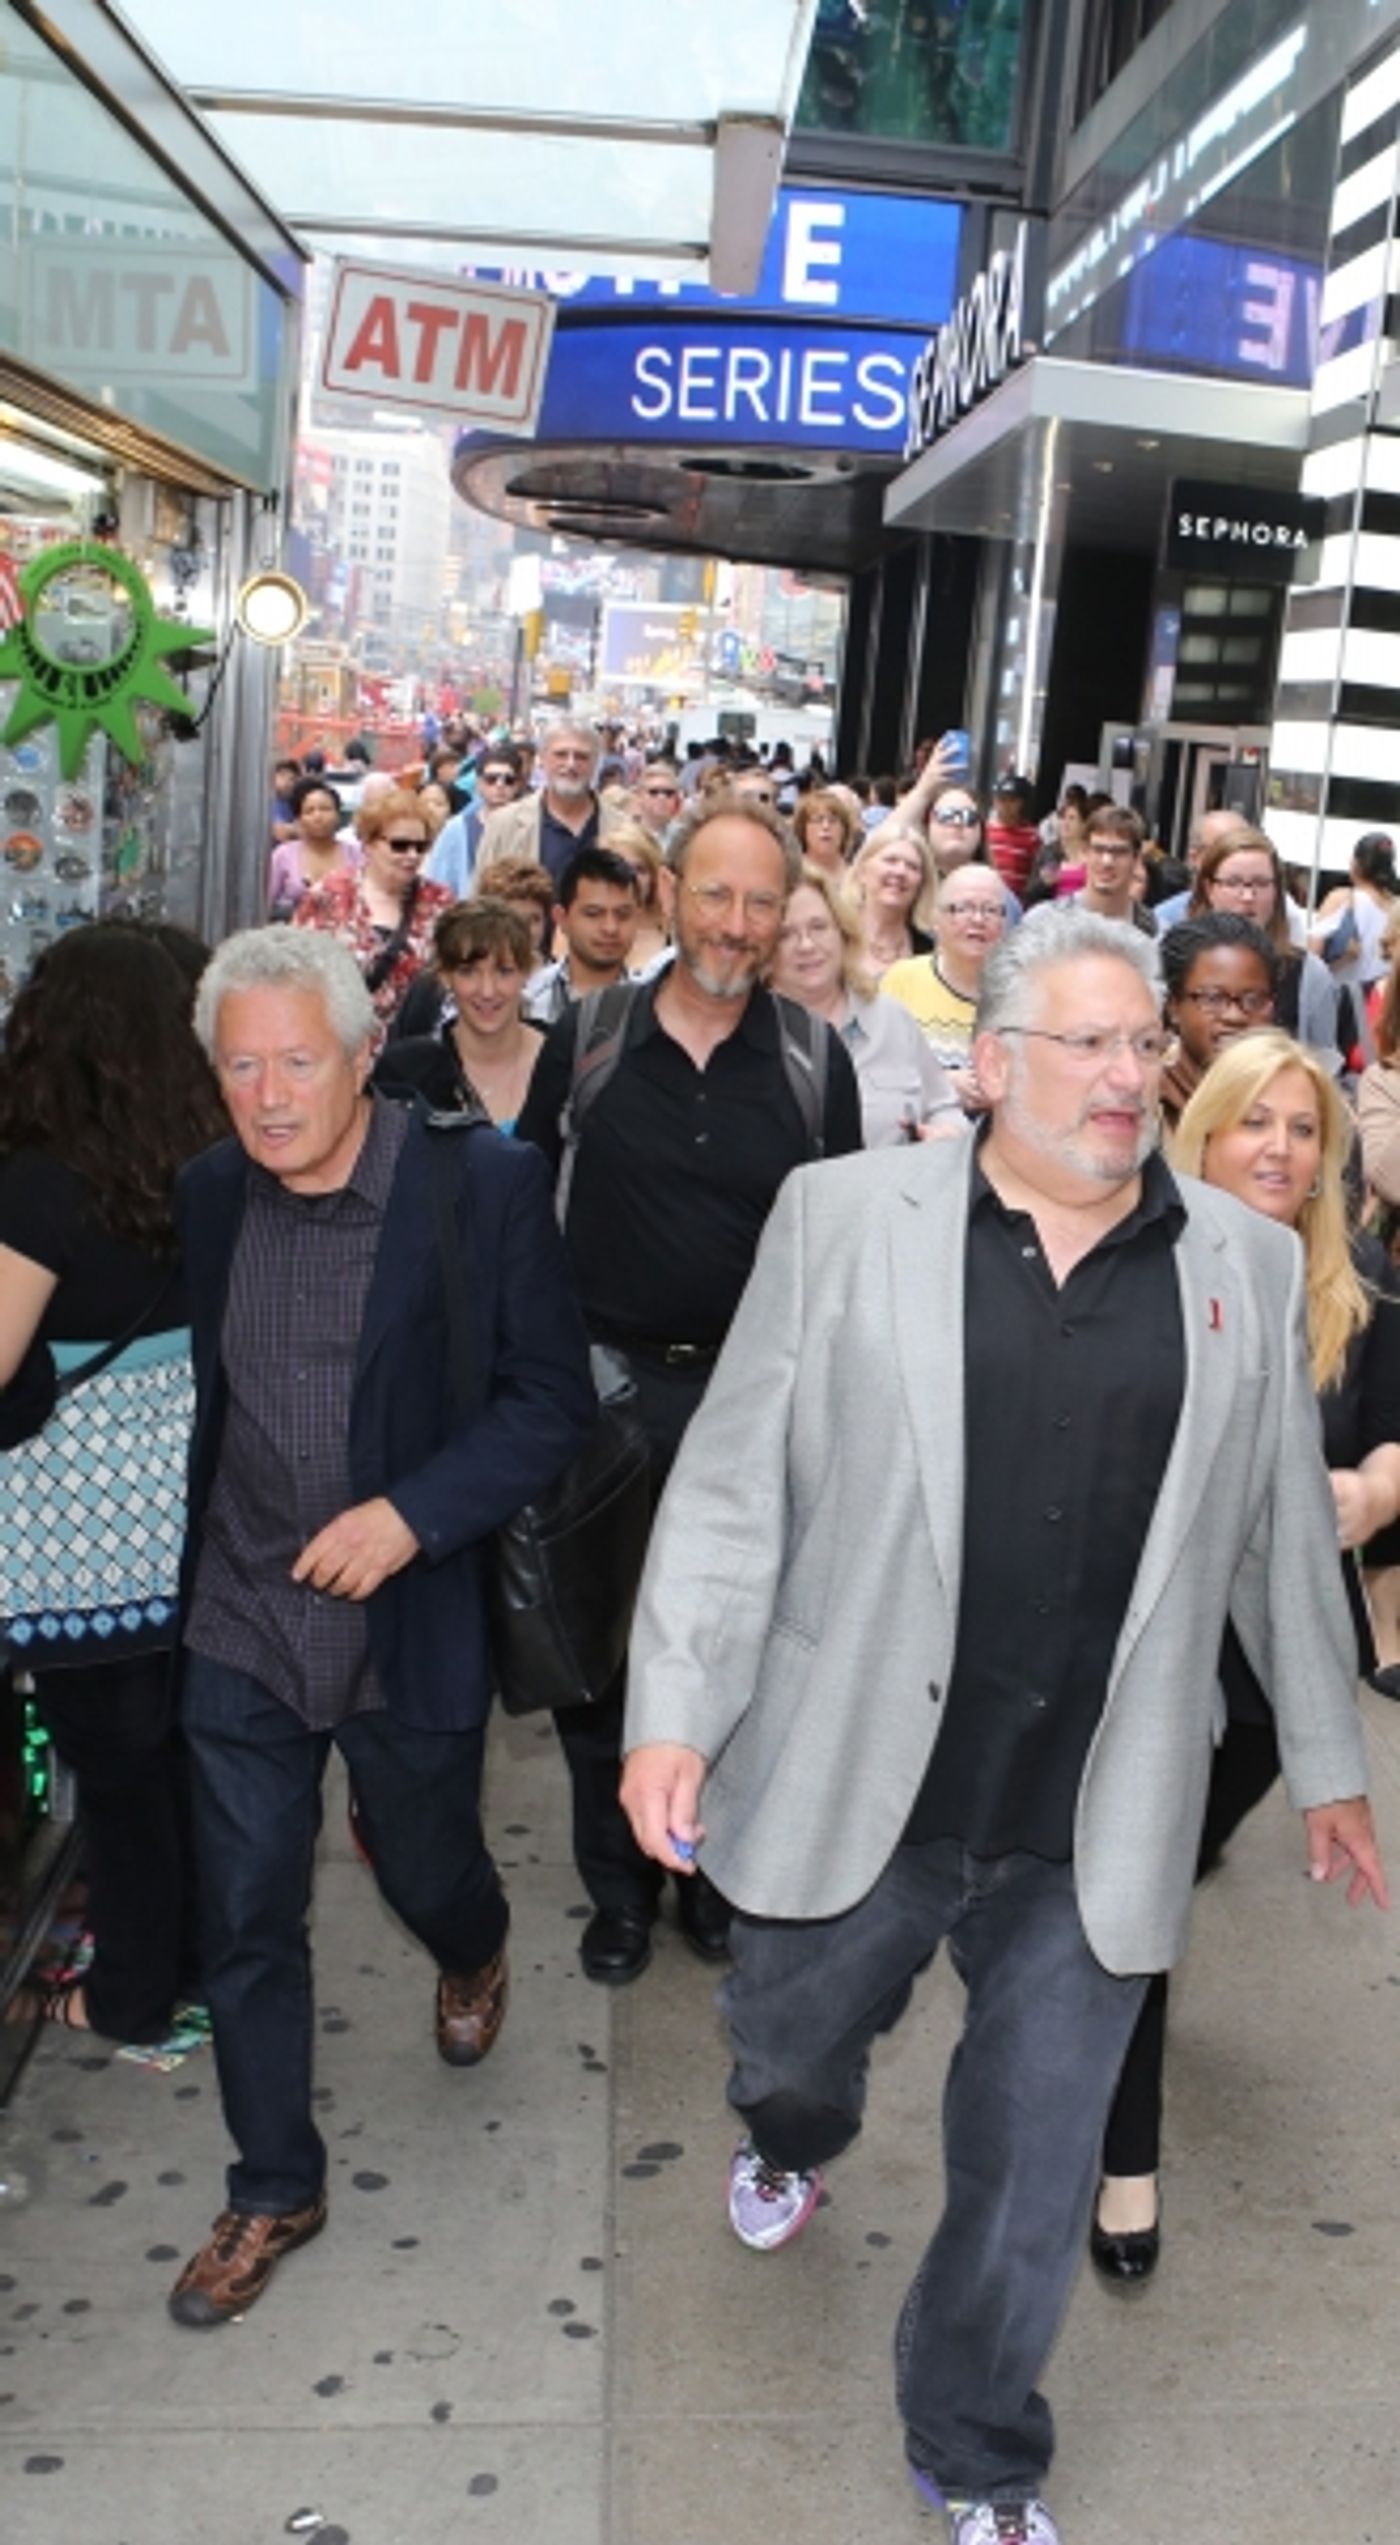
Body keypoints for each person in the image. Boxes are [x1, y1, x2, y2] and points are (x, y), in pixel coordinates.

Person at [619, 910, 1384, 2545]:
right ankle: (792, 2132)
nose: (1129, 1077)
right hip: (863, 1787)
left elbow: (1272, 1546)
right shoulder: (840, 1221)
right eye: (1088, 1045)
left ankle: (977, 2450)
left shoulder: (1236, 1265)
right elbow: (732, 1488)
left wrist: (1328, 1767)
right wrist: (675, 1712)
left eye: (1139, 1046)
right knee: (785, 2047)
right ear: (990, 1066)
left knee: (1036, 2175)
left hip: (1095, 1807)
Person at [167, 926, 594, 2330]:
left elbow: (548, 1404)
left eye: (298, 1060)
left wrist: (412, 1515)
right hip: (241, 1608)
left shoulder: (482, 1190)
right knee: (244, 1908)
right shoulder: (213, 1195)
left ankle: (473, 1947)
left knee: (427, 1867)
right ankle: (274, 2178)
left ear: (365, 1054)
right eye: (241, 1065)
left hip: (404, 1618)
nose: (270, 1094)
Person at [516, 795, 862, 1988]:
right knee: (600, 1662)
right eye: (714, 893)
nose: (736, 921)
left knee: (744, 1656)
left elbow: (847, 1255)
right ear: (669, 894)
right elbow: (521, 1207)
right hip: (604, 1402)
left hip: (754, 1412)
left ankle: (710, 1881)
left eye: (761, 900)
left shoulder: (817, 1065)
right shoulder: (594, 1036)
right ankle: (617, 1889)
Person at [1093, 1029, 1400, 2285]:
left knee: (1172, 1844)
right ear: (1200, 1131)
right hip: (1139, 1624)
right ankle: (1124, 2165)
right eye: (1250, 1121)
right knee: (1141, 1883)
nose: (1276, 1147)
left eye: (1300, 1127)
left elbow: (1392, 1442)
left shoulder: (1357, 1284)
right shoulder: (1126, 1254)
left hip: (1277, 1652)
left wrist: (1376, 1492)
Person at [0, 926, 228, 2040]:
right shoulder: (212, 1170)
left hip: (76, 1555)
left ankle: (134, 1993)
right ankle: (199, 1963)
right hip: (196, 1531)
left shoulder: (42, 1188)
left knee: (122, 1787)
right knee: (186, 1774)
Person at [770, 864, 962, 1148]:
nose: (806, 945)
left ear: (843, 931)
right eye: (785, 934)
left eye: (819, 927)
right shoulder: (747, 1031)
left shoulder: (891, 1018)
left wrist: (948, 1135)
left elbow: (943, 1107)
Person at [293, 787, 453, 1037]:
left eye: (421, 847)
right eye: (400, 845)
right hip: (338, 1047)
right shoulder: (329, 896)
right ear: (369, 843)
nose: (412, 855)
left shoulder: (440, 902)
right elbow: (295, 974)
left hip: (408, 1055)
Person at [372, 899, 544, 1126]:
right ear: (445, 975)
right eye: (468, 972)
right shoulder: (407, 1071)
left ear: (527, 971)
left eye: (504, 971)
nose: (487, 991)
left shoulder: (565, 1058)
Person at [1186, 828, 1339, 1059]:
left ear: (1277, 890)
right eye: (1233, 882)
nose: (1248, 896)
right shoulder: (1176, 958)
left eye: (1260, 883)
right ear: (1209, 889)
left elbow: (1323, 1068)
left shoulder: (1308, 974)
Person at [883, 866, 1009, 1110]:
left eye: (991, 910)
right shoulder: (902, 980)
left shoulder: (1021, 991)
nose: (978, 920)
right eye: (962, 908)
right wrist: (941, 1085)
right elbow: (876, 1071)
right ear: (936, 920)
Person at [1157, 914, 1279, 1130]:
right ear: (1174, 1006)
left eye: (1252, 1000)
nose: (1234, 1016)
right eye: (1213, 998)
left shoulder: (1296, 1099)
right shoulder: (1149, 1103)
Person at [477, 720, 624, 887]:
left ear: (596, 763)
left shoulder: (621, 827)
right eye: (561, 755)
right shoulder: (503, 825)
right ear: (542, 759)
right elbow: (481, 901)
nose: (570, 764)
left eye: (581, 756)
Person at [523, 847, 640, 1025]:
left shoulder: (653, 1006)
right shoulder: (529, 1001)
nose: (610, 928)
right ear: (561, 918)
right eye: (593, 914)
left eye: (623, 915)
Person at [425, 745, 525, 899]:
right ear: (479, 783)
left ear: (517, 785)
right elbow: (438, 883)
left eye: (508, 780)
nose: (500, 785)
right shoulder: (457, 828)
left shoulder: (529, 826)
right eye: (491, 779)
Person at [1309, 833, 1400, 1004]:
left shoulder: (1340, 898)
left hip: (1340, 1003)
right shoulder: (1397, 908)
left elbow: (1312, 959)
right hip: (1382, 1006)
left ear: (1355, 864)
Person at [846, 827, 938, 980]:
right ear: (862, 872)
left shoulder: (930, 950)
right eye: (891, 860)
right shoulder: (835, 935)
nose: (900, 872)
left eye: (912, 866)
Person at [1061, 804, 1156, 934]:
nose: (1107, 862)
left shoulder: (1158, 935)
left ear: (1136, 858)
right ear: (1084, 852)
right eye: (1098, 849)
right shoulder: (1047, 923)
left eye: (1119, 852)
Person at [267, 775, 349, 919]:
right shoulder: (283, 855)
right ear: (299, 819)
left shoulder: (356, 855)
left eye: (325, 809)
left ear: (337, 815)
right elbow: (268, 903)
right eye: (309, 811)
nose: (318, 816)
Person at [985, 771, 1040, 898]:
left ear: (1021, 803)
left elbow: (1036, 872)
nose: (1006, 805)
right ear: (995, 801)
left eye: (1012, 800)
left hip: (1017, 902)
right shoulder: (985, 831)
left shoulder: (1032, 835)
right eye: (1002, 799)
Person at [793, 789, 861, 877]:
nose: (826, 826)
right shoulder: (791, 876)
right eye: (818, 820)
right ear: (803, 828)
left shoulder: (859, 876)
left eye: (833, 820)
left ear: (844, 829)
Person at [633, 758, 682, 846]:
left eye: (668, 793)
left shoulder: (685, 837)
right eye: (654, 792)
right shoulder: (624, 837)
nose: (661, 797)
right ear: (639, 797)